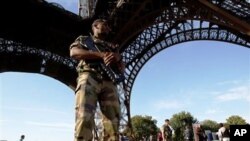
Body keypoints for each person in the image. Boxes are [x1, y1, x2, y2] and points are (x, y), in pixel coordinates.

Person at [69, 19, 125, 141]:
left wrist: (118, 58)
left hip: (109, 81)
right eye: (105, 24)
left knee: (113, 122)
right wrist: (100, 55)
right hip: (90, 75)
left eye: (109, 26)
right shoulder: (84, 40)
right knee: (84, 116)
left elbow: (121, 70)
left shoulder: (112, 47)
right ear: (95, 25)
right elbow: (74, 52)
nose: (108, 27)